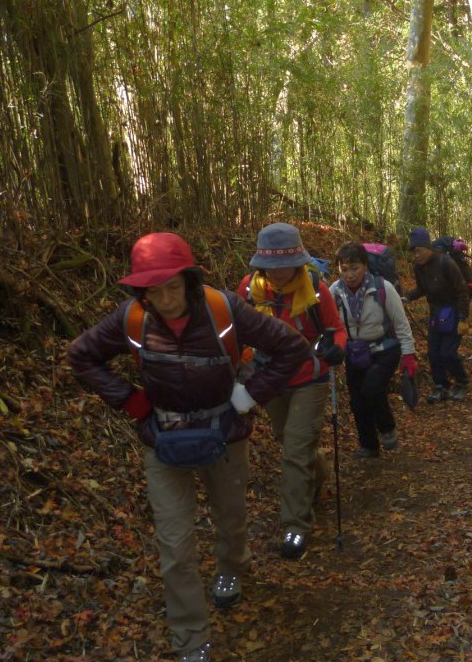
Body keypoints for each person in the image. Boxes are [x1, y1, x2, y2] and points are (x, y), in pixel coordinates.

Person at [68, 233, 310, 662]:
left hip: (226, 433)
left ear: (190, 281)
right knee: (175, 544)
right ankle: (191, 639)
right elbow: (83, 356)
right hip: (163, 439)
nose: (165, 298)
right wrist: (130, 400)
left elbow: (292, 347)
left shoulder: (224, 309)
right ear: (141, 290)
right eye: (153, 290)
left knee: (231, 521)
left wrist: (248, 396)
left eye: (173, 287)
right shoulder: (132, 318)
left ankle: (232, 570)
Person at [237, 223, 348, 560]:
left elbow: (336, 330)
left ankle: (295, 526)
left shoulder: (316, 289)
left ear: (299, 262)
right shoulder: (247, 290)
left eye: (285, 264)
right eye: (271, 266)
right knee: (291, 442)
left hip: (309, 376)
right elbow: (236, 332)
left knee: (295, 451)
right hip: (270, 378)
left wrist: (336, 349)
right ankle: (320, 476)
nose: (279, 273)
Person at [329, 242, 418, 458]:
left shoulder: (383, 288)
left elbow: (401, 324)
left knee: (371, 388)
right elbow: (329, 324)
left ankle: (387, 429)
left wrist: (409, 355)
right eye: (344, 268)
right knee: (357, 400)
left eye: (354, 268)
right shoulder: (334, 292)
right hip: (355, 351)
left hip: (386, 348)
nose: (349, 274)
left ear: (365, 266)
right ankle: (369, 445)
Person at [403, 226, 471, 403]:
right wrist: (408, 297)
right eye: (413, 252)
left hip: (454, 312)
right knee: (433, 352)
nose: (416, 255)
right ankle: (440, 386)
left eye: (418, 251)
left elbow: (462, 291)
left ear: (427, 247)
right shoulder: (419, 268)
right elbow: (422, 289)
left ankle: (461, 382)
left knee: (448, 352)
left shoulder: (445, 263)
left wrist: (463, 318)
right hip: (436, 314)